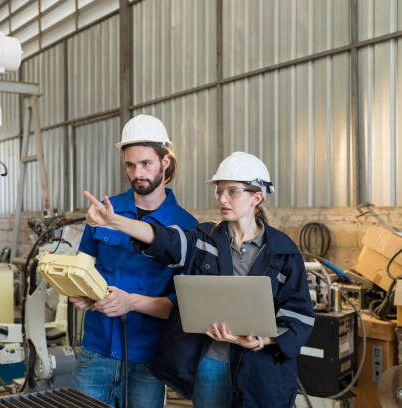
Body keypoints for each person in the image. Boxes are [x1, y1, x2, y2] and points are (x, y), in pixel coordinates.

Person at [83, 151, 314, 408]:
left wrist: (260, 340)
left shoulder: (283, 250)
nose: (222, 199)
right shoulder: (205, 239)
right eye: (219, 191)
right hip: (211, 365)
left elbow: (299, 315)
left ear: (256, 197)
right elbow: (166, 240)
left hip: (260, 368)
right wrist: (115, 221)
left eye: (232, 191)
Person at [69, 114, 198, 408]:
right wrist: (81, 293)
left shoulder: (185, 229)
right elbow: (83, 270)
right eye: (130, 164)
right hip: (95, 349)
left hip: (147, 358)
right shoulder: (102, 214)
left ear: (165, 162)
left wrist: (132, 302)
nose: (137, 172)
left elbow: (182, 308)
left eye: (146, 163)